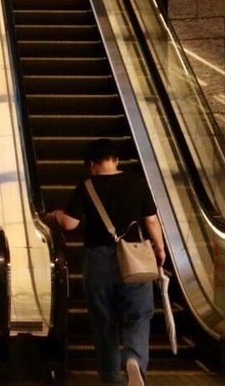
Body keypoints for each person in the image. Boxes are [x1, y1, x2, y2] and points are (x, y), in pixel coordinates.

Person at [47, 138, 166, 386]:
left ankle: (110, 375)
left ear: (91, 164)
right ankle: (133, 360)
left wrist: (56, 215)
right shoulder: (137, 183)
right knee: (138, 315)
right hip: (133, 258)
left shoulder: (87, 186)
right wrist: (159, 248)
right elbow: (151, 220)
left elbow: (70, 223)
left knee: (103, 318)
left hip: (98, 260)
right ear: (116, 160)